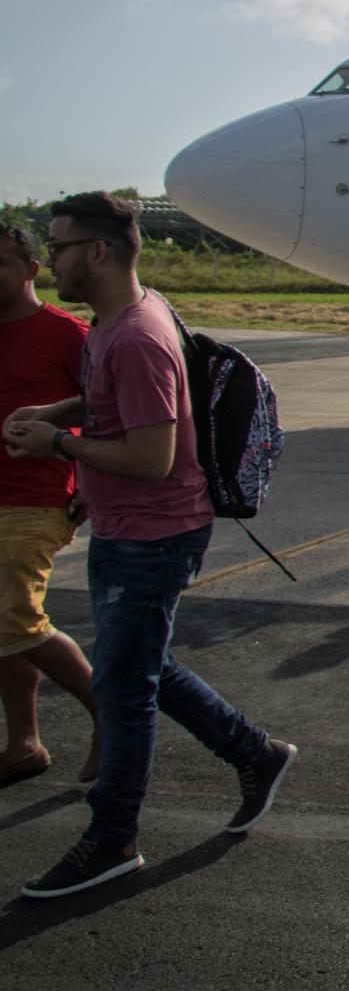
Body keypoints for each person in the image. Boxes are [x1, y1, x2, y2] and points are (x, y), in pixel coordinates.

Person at [4, 193, 295, 899]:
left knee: (124, 688)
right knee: (141, 666)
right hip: (130, 527)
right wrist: (62, 410)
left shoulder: (134, 335)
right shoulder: (124, 318)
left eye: (62, 245)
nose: (55, 257)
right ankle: (255, 752)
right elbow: (121, 402)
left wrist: (59, 443)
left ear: (97, 253)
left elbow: (153, 454)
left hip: (153, 535)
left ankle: (113, 837)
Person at [0, 222, 99, 786]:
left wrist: (88, 474)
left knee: (15, 616)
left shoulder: (65, 334)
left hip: (35, 497)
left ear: (32, 268)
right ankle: (24, 742)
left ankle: (109, 715)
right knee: (2, 623)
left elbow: (108, 406)